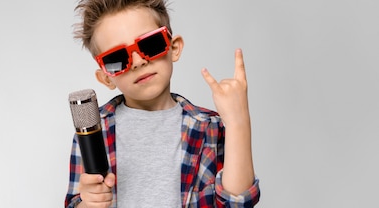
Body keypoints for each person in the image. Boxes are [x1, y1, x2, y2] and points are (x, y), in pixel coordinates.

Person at [64, 0, 261, 207]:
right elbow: (75, 202)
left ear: (174, 48)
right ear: (106, 78)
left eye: (150, 44)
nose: (139, 62)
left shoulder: (209, 127)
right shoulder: (93, 132)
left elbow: (236, 204)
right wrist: (88, 202)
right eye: (118, 58)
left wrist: (238, 122)